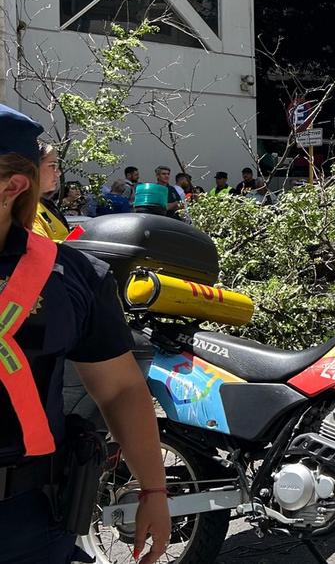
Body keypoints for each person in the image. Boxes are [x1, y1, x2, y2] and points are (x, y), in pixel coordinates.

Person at [0, 106, 171, 563]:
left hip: (26, 522)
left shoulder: (71, 277)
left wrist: (153, 488)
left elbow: (118, 390)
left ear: (12, 187)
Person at [33, 142, 70, 241]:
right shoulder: (24, 209)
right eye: (52, 166)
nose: (58, 173)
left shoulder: (45, 204)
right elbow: (40, 249)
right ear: (32, 167)